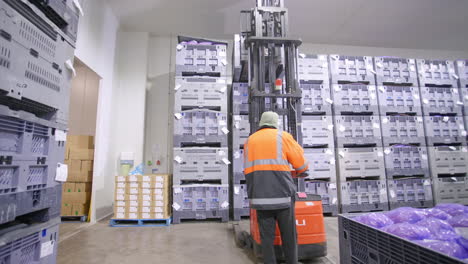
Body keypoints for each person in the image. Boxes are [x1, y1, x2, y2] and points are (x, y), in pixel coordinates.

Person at [244, 111, 309, 264]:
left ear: (261, 123)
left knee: (266, 237)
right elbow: (301, 164)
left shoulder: (249, 141)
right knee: (289, 234)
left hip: (259, 197)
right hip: (283, 196)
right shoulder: (282, 136)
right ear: (275, 123)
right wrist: (301, 171)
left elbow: (250, 169)